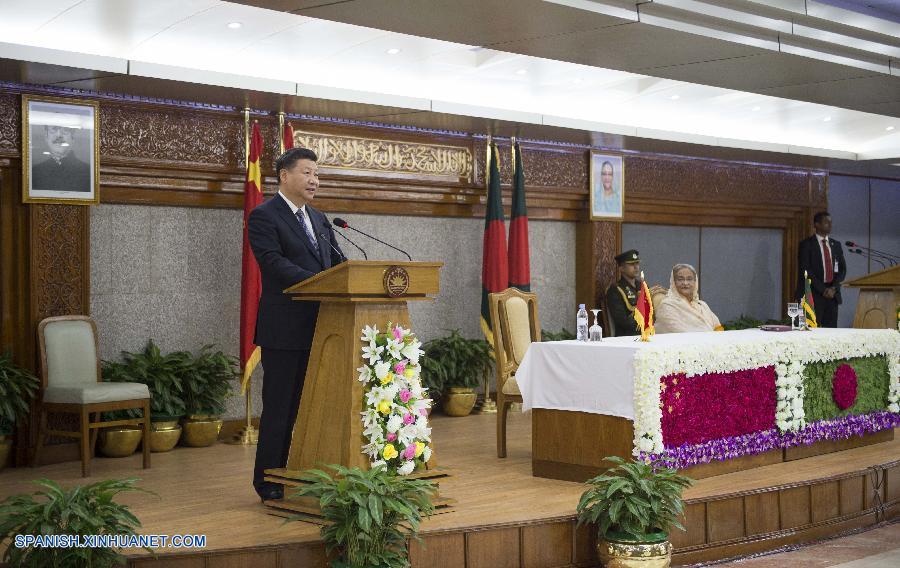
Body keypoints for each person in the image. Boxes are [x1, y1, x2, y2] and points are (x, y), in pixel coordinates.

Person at [247, 147, 345, 502]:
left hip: (323, 329)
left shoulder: (320, 219)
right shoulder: (264, 216)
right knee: (280, 408)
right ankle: (269, 480)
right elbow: (273, 264)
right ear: (284, 175)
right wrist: (318, 282)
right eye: (307, 172)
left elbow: (338, 264)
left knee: (315, 407)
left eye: (317, 174)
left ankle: (306, 473)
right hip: (285, 331)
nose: (314, 180)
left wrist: (348, 278)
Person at [797, 211, 846, 328]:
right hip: (813, 294)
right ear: (817, 225)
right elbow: (806, 270)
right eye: (826, 222)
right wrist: (823, 290)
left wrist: (834, 288)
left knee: (831, 332)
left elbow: (842, 270)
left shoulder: (836, 245)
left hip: (832, 295)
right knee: (810, 331)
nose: (829, 224)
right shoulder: (806, 245)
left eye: (830, 222)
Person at [655, 264, 723, 334]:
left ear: (695, 282)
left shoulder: (702, 305)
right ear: (674, 282)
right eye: (680, 279)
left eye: (689, 279)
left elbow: (718, 327)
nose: (685, 283)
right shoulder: (667, 305)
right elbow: (677, 331)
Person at [31, 125, 91, 192]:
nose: (58, 135)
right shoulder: (34, 173)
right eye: (53, 129)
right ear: (46, 137)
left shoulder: (89, 173)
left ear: (73, 137)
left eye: (65, 130)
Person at [605, 249, 641, 336]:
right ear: (621, 269)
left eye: (637, 263)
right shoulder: (615, 290)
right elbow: (623, 322)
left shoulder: (642, 286)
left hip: (647, 333)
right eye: (632, 264)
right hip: (628, 337)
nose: (636, 267)